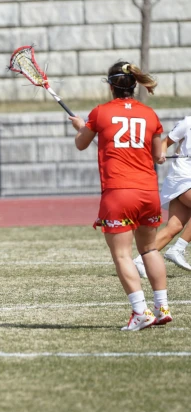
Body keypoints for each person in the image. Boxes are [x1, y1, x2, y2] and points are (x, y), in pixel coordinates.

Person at [69, 61, 171, 330]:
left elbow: (81, 143)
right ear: (134, 85)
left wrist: (81, 126)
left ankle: (141, 312)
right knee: (149, 249)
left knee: (123, 256)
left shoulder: (101, 113)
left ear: (111, 86)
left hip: (119, 192)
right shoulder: (150, 114)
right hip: (149, 192)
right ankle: (162, 308)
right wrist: (158, 156)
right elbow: (157, 155)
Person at [133, 116, 191, 275]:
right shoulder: (188, 122)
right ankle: (178, 249)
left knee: (174, 227)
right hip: (182, 178)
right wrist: (162, 153)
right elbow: (165, 142)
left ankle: (140, 261)